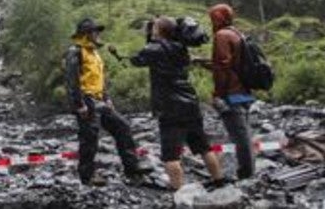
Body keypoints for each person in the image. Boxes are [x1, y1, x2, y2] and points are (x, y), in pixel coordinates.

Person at [129, 16, 225, 191]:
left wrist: (149, 37)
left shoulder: (154, 48)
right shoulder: (181, 48)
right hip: (190, 102)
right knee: (204, 147)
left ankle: (178, 191)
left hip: (170, 107)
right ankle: (219, 181)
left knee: (170, 156)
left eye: (155, 28)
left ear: (158, 30)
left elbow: (136, 59)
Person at [64, 17, 145, 186]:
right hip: (86, 100)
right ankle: (87, 176)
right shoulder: (75, 51)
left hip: (100, 99)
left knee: (122, 127)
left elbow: (100, 79)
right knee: (90, 138)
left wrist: (107, 98)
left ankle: (132, 168)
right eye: (95, 31)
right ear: (86, 34)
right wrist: (79, 104)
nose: (98, 34)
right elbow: (72, 80)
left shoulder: (94, 53)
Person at [203, 2, 256, 180]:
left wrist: (219, 94)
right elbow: (232, 63)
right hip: (244, 91)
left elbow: (223, 67)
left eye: (213, 17)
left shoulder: (221, 35)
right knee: (244, 135)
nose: (211, 21)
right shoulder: (236, 33)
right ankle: (248, 172)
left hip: (231, 94)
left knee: (240, 139)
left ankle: (246, 175)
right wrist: (205, 62)